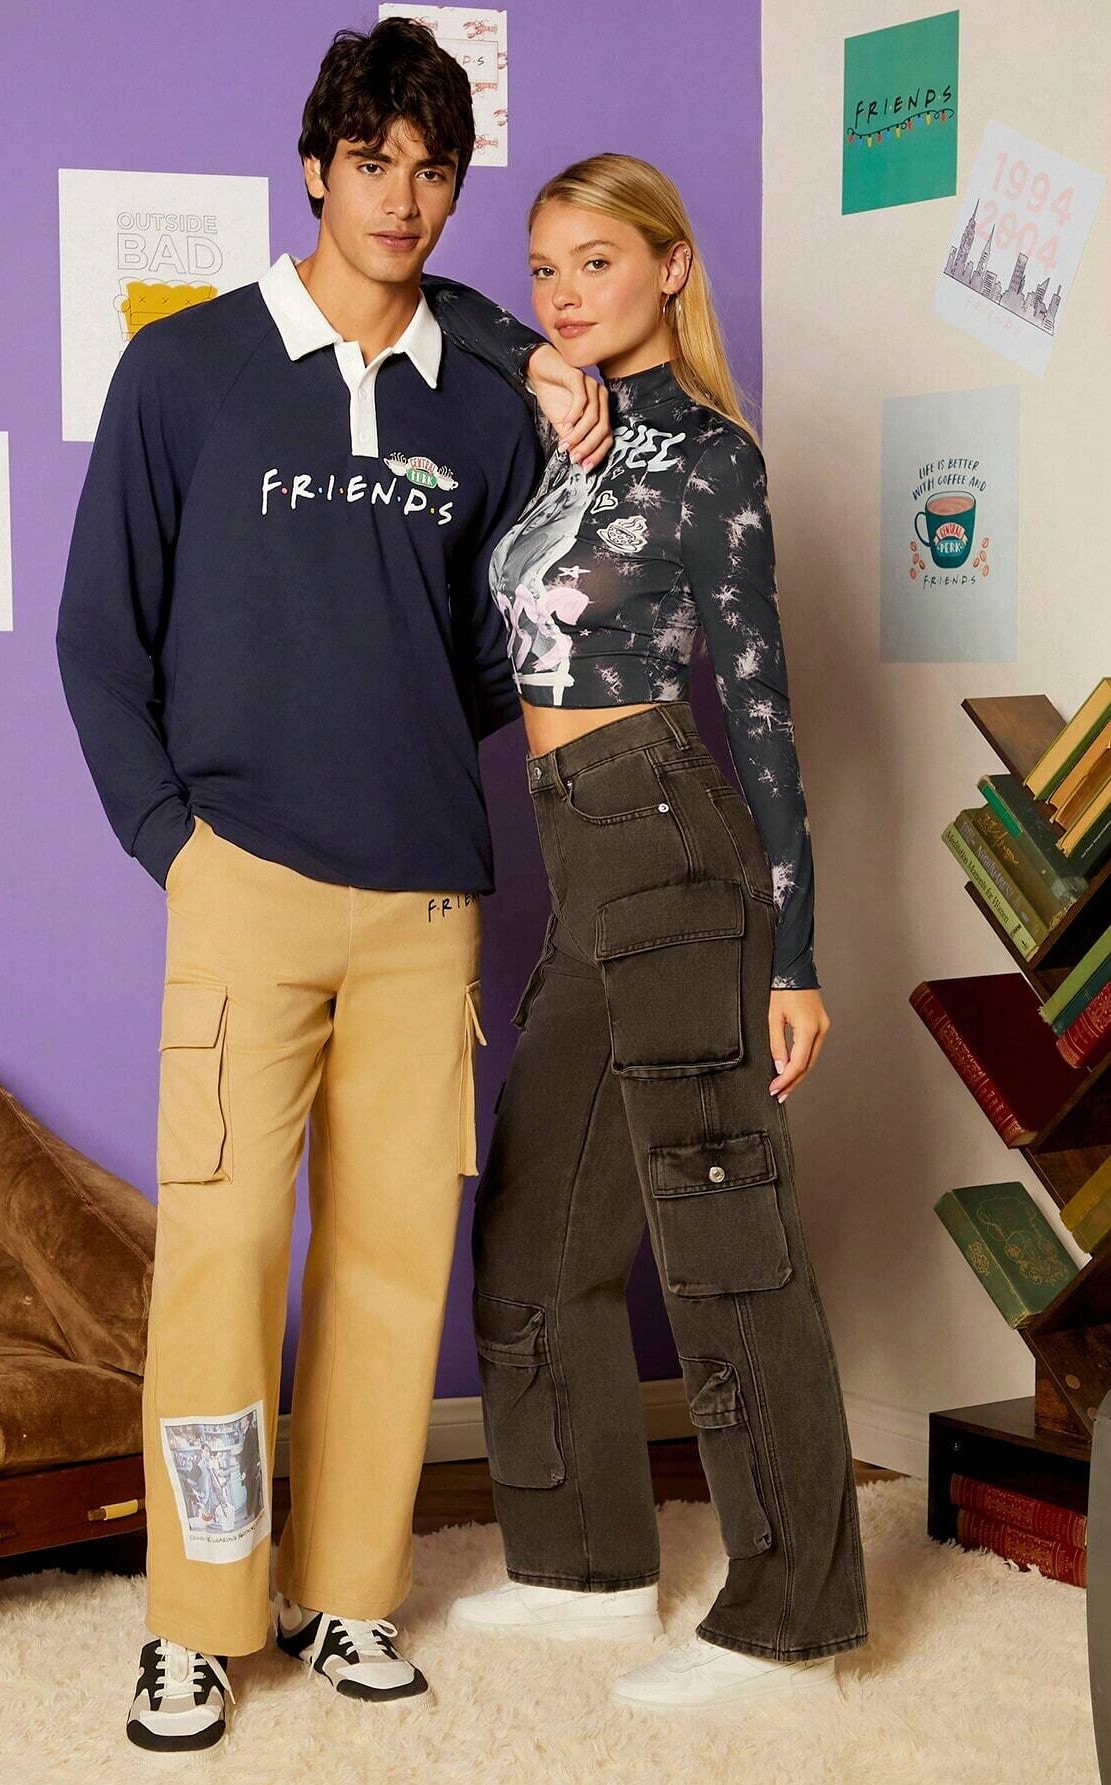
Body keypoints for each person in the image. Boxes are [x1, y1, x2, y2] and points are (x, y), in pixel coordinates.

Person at [55, 20, 609, 1755]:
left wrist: (548, 377)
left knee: (388, 1262)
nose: (402, 197)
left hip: (427, 900)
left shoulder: (481, 397)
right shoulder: (189, 370)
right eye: (372, 161)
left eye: (433, 169)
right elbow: (98, 635)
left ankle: (349, 1591)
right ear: (315, 168)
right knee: (220, 1259)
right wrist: (177, 842)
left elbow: (503, 641)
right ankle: (201, 1614)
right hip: (243, 886)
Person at [431, 154, 870, 1711]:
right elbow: (443, 303)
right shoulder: (569, 433)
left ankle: (794, 1612)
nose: (564, 293)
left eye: (599, 263)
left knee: (725, 1241)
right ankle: (584, 1565)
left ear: (673, 268)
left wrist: (796, 952)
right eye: (546, 267)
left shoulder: (710, 460)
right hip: (577, 857)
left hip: (675, 845)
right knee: (536, 1228)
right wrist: (536, 361)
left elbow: (761, 707)